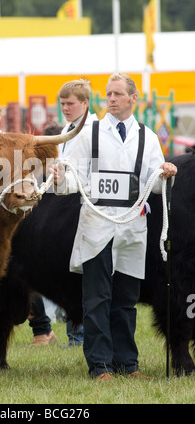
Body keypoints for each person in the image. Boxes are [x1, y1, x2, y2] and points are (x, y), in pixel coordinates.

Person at [50, 73, 177, 380]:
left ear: (134, 99)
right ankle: (100, 365)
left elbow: (155, 185)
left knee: (125, 299)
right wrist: (58, 179)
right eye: (108, 94)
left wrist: (166, 173)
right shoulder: (88, 132)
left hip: (133, 225)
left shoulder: (146, 136)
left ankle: (128, 364)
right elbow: (71, 179)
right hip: (97, 223)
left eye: (118, 94)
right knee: (96, 297)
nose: (111, 99)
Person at [59, 78, 98, 346]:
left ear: (85, 103)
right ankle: (75, 332)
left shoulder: (92, 131)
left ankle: (81, 334)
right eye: (62, 104)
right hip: (66, 205)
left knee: (85, 273)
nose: (65, 108)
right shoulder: (69, 128)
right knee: (70, 271)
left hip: (84, 206)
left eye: (70, 103)